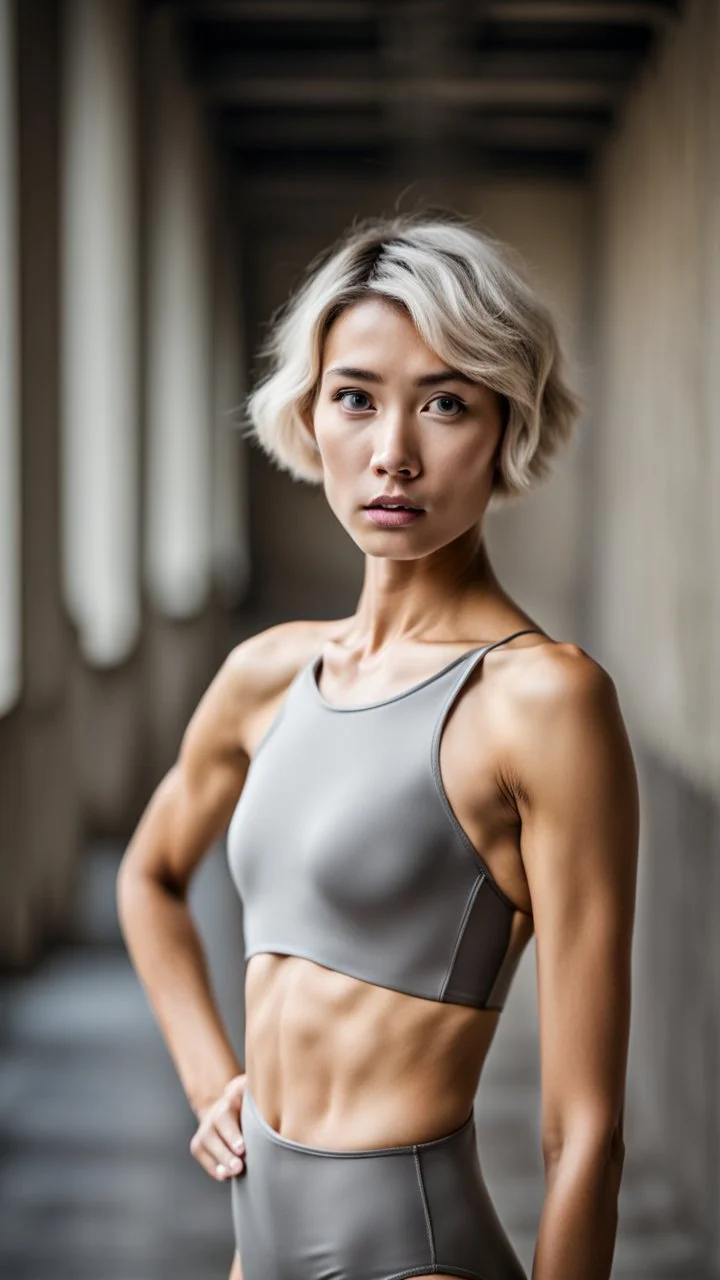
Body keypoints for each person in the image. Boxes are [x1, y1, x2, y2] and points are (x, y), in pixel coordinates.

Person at [117, 211, 639, 1280]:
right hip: (251, 1245)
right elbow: (151, 875)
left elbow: (582, 1130)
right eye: (357, 396)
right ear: (310, 414)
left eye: (445, 402)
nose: (393, 453)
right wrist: (212, 1078)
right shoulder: (268, 673)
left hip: (412, 1252)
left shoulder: (543, 699)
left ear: (506, 422)